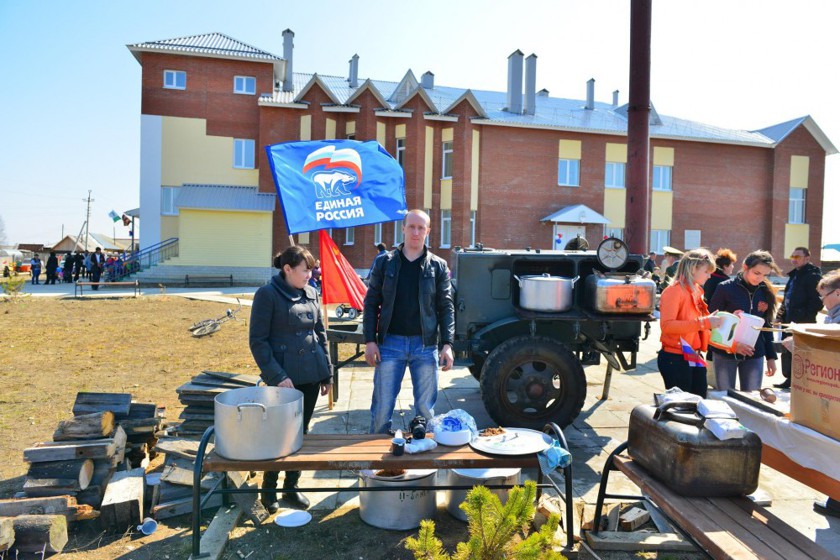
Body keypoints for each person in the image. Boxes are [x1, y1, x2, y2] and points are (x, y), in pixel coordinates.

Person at [250, 245, 332, 512]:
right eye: (305, 270)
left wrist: (327, 372)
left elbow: (321, 335)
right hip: (284, 380)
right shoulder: (267, 295)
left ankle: (291, 487)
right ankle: (269, 489)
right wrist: (277, 376)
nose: (310, 274)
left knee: (301, 433)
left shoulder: (311, 292)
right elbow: (258, 342)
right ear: (287, 269)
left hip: (310, 375)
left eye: (311, 269)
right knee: (278, 435)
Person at [363, 209, 455, 434]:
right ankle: (376, 463)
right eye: (411, 227)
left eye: (420, 227)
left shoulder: (438, 266)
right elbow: (371, 302)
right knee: (382, 408)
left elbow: (446, 306)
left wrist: (448, 344)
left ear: (428, 231)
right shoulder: (385, 262)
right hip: (390, 344)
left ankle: (423, 462)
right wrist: (369, 340)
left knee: (425, 410)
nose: (416, 232)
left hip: (425, 347)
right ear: (403, 228)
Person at [708, 250, 780, 392]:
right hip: (725, 353)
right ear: (745, 267)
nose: (760, 278)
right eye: (757, 273)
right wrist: (734, 345)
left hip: (754, 353)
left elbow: (766, 325)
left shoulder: (766, 292)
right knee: (725, 398)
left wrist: (771, 357)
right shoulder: (725, 288)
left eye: (765, 275)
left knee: (752, 399)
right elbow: (712, 323)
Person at [657, 248, 722, 397]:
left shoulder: (697, 290)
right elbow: (667, 326)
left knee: (698, 402)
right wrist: (705, 322)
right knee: (683, 408)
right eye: (706, 271)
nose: (709, 276)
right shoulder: (674, 291)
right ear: (693, 269)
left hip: (692, 355)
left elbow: (699, 324)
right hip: (676, 358)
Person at [775, 247, 823, 389]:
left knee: (801, 353)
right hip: (788, 321)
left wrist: (804, 318)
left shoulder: (812, 276)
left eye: (798, 256)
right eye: (793, 256)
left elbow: (816, 302)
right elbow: (786, 300)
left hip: (802, 322)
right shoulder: (794, 275)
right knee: (787, 350)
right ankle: (789, 378)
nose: (794, 259)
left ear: (807, 258)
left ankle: (801, 382)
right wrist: (779, 316)